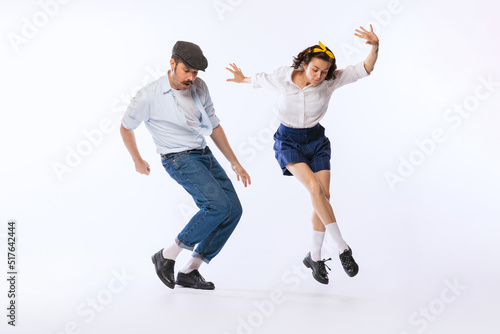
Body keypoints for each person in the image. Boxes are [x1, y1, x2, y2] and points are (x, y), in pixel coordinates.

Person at [226, 26, 379, 284]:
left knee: (324, 196)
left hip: (316, 140)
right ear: (303, 63)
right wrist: (242, 79)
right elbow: (259, 79)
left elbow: (363, 69)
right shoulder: (283, 77)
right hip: (288, 141)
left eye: (324, 71)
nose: (319, 76)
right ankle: (343, 248)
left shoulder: (329, 81)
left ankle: (315, 257)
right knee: (315, 190)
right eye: (314, 69)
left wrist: (375, 47)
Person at [121, 41, 251, 290]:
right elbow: (126, 127)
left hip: (203, 153)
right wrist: (137, 160)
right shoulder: (148, 95)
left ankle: (190, 271)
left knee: (233, 210)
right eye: (186, 71)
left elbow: (213, 126)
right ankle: (167, 255)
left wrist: (235, 162)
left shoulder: (199, 87)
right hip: (177, 158)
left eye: (195, 73)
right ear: (172, 64)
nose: (191, 77)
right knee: (216, 206)